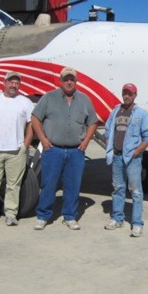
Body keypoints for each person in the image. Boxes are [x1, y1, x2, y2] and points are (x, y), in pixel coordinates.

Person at [31, 67, 98, 230]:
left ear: (76, 82)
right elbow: (35, 117)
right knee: (49, 184)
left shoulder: (84, 100)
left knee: (73, 185)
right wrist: (43, 139)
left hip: (76, 151)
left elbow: (93, 122)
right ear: (61, 81)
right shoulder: (49, 97)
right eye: (66, 79)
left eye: (72, 79)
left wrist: (86, 141)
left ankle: (70, 216)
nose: (69, 82)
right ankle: (43, 215)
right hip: (53, 150)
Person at [0, 71, 34, 227]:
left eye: (17, 83)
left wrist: (26, 144)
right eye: (11, 82)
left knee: (13, 185)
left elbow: (32, 123)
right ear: (4, 83)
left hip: (16, 151)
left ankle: (11, 214)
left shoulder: (25, 102)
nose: (14, 85)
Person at [103, 83, 148, 237]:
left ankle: (137, 223)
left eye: (130, 93)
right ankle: (117, 218)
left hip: (132, 159)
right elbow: (107, 130)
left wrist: (137, 151)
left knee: (136, 191)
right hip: (117, 157)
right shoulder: (116, 112)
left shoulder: (141, 114)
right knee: (117, 188)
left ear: (135, 95)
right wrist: (109, 147)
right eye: (124, 93)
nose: (127, 96)